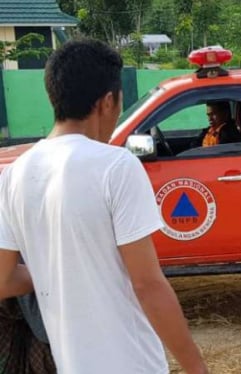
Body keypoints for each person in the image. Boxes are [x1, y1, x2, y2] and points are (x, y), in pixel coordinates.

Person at [0, 39, 208, 374]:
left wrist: (55, 269)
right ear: (107, 101)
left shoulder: (13, 176)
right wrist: (196, 367)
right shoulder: (116, 166)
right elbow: (148, 284)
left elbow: (4, 280)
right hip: (131, 362)